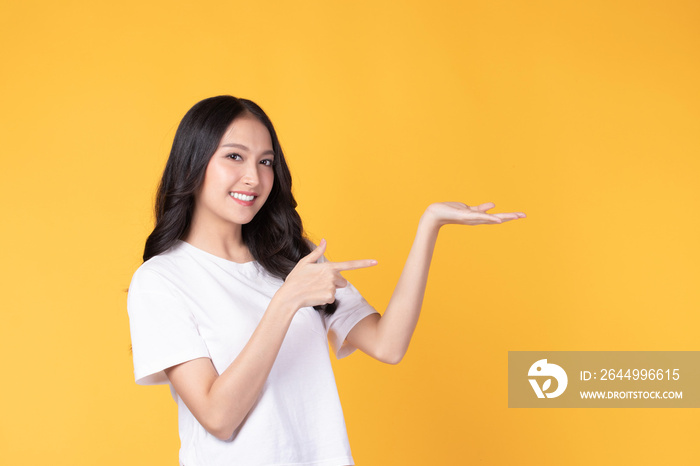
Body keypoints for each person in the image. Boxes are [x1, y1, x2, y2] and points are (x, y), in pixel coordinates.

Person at [127, 95, 525, 466]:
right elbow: (218, 417)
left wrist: (429, 225)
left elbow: (388, 344)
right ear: (192, 164)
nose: (253, 177)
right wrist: (285, 302)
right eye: (235, 156)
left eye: (266, 162)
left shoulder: (290, 257)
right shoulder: (162, 280)